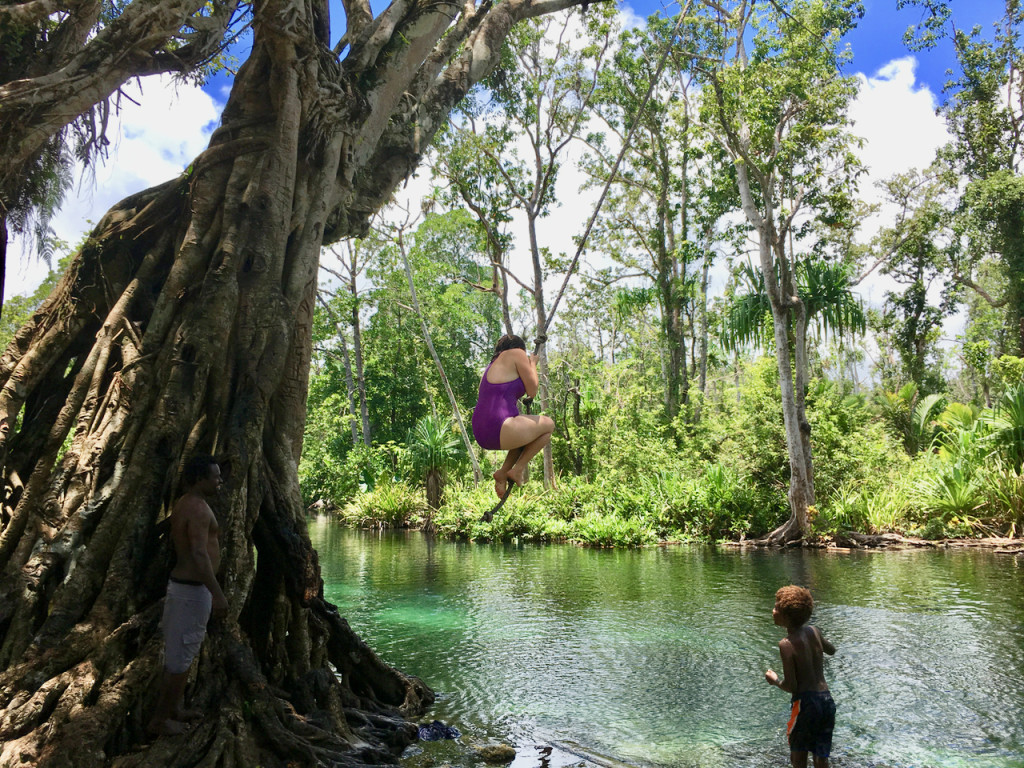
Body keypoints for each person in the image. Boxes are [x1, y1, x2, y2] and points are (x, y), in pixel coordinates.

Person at [148, 454, 228, 736]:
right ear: (199, 479)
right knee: (179, 661)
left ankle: (175, 710)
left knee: (182, 656)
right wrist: (217, 593)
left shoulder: (189, 503)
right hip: (191, 592)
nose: (220, 481)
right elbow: (198, 554)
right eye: (215, 476)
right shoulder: (196, 508)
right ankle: (159, 721)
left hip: (189, 591)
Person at [472, 334, 555, 498]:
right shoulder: (517, 353)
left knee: (526, 432)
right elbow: (532, 391)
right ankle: (517, 470)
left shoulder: (492, 365)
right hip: (500, 426)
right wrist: (532, 364)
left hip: (481, 431)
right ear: (519, 347)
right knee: (548, 426)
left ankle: (502, 473)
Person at [765, 585, 837, 768]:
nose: (772, 611)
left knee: (798, 757)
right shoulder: (814, 631)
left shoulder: (786, 644)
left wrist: (774, 680)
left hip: (805, 704)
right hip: (826, 701)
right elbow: (832, 650)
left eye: (776, 609)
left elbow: (792, 687)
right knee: (821, 756)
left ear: (786, 617)